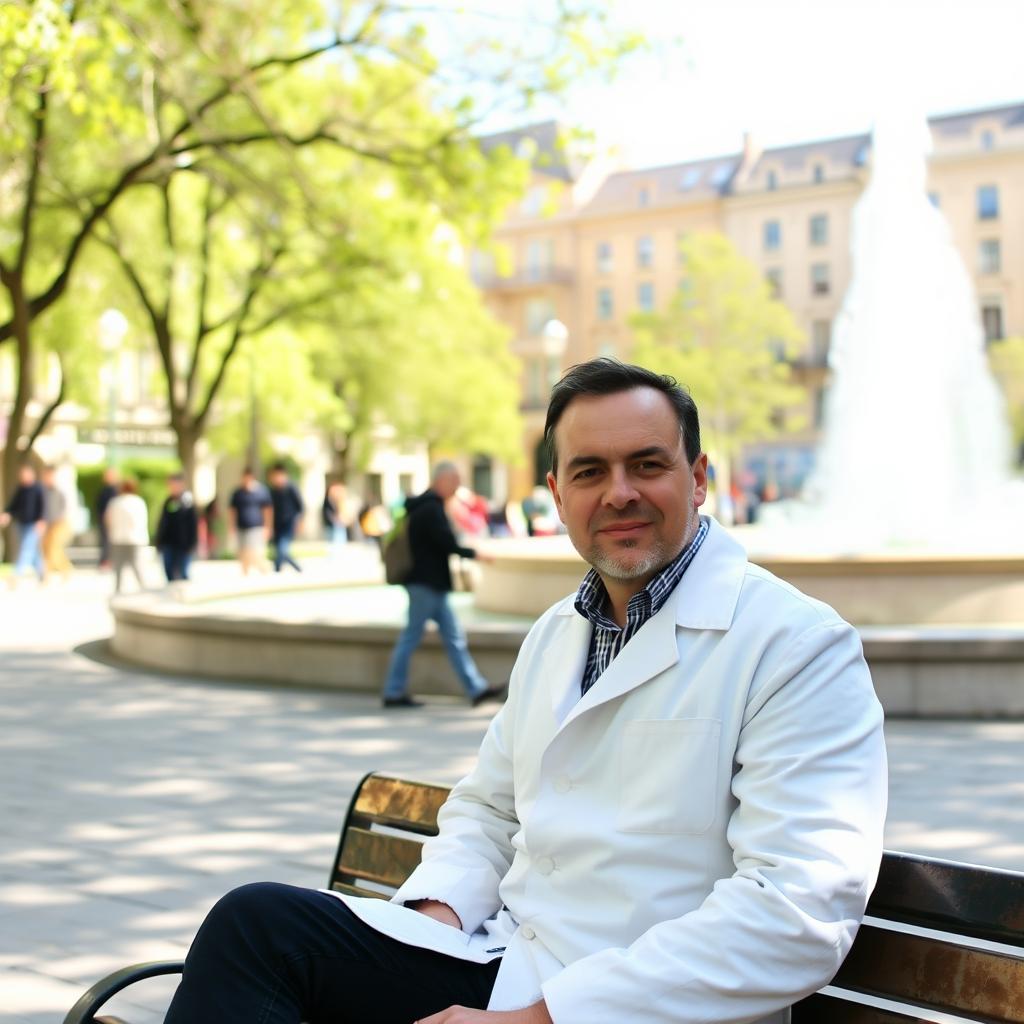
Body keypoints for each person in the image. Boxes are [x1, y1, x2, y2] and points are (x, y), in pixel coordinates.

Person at [162, 359, 887, 1024]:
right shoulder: (555, 635)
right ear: (556, 495)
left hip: (645, 1007)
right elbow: (486, 809)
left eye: (646, 464)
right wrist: (435, 919)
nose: (620, 493)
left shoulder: (796, 646)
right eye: (589, 472)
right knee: (257, 928)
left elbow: (795, 913)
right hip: (506, 965)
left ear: (698, 479)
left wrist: (535, 1022)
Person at [380, 462, 505, 710]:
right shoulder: (430, 509)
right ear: (442, 480)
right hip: (425, 584)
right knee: (412, 637)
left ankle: (476, 688)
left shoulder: (424, 506)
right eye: (455, 480)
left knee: (453, 636)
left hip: (429, 584)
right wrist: (475, 553)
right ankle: (393, 692)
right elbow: (446, 543)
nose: (457, 486)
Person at [1, 464, 46, 588]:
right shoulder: (21, 489)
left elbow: (43, 506)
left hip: (34, 524)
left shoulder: (38, 488)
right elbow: (13, 505)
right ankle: (42, 572)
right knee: (33, 550)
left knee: (26, 549)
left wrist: (41, 520)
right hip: (22, 524)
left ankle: (16, 575)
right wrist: (7, 514)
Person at [105, 479, 149, 593]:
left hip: (118, 538)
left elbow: (108, 519)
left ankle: (118, 590)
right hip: (135, 538)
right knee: (137, 565)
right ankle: (143, 588)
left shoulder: (115, 502)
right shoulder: (139, 502)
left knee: (118, 567)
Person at [155, 472, 197, 582]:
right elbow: (163, 522)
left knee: (183, 572)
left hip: (183, 543)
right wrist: (159, 540)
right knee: (168, 570)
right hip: (168, 542)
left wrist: (192, 543)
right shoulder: (168, 501)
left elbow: (193, 523)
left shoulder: (187, 501)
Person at [228, 468, 271, 575]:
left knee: (253, 552)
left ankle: (264, 569)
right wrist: (231, 526)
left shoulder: (261, 492)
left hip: (256, 526)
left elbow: (267, 510)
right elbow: (232, 511)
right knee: (242, 552)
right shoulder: (237, 493)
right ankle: (245, 573)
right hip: (241, 526)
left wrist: (267, 526)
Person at [267, 462, 304, 573]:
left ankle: (283, 569)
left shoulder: (291, 488)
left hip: (289, 524)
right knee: (278, 550)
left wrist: (299, 523)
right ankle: (282, 568)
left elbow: (300, 507)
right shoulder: (273, 491)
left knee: (282, 549)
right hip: (276, 525)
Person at [40, 465, 73, 583]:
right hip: (47, 525)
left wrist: (57, 521)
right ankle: (47, 575)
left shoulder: (59, 491)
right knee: (45, 550)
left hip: (58, 524)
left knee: (54, 549)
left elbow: (63, 509)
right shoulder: (43, 492)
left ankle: (66, 569)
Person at [94, 466, 120, 570]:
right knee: (105, 541)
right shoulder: (104, 490)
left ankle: (109, 560)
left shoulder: (116, 490)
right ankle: (105, 560)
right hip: (103, 520)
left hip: (113, 520)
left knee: (110, 541)